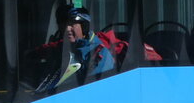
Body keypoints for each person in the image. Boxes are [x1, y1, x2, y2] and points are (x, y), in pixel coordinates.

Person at [31, 5, 160, 92]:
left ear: (85, 27)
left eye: (72, 24)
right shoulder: (65, 46)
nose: (67, 29)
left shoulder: (98, 52)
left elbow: (94, 89)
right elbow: (46, 50)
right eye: (63, 25)